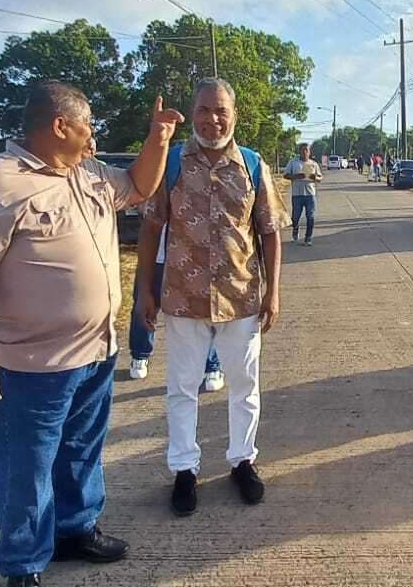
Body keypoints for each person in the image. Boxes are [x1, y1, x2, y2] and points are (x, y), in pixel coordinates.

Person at [0, 81, 181, 586]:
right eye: (88, 124)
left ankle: (75, 530)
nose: (93, 134)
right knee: (26, 468)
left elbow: (139, 186)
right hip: (31, 367)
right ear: (60, 126)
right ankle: (23, 564)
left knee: (81, 451)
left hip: (95, 352)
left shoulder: (86, 172)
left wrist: (158, 137)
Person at [138, 78, 283, 518]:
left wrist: (273, 291)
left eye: (220, 110)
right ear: (193, 112)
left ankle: (243, 460)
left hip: (241, 297)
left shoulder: (254, 166)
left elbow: (271, 232)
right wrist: (145, 288)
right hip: (184, 297)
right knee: (182, 388)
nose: (212, 119)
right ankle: (184, 470)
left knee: (244, 386)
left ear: (234, 115)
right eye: (203, 110)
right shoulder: (175, 162)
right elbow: (151, 227)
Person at [127, 223, 224, 390]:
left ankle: (212, 365)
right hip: (157, 255)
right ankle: (139, 353)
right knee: (144, 304)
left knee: (204, 309)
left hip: (193, 257)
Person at [284, 142, 323, 246]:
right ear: (299, 151)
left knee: (310, 217)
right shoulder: (293, 162)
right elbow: (286, 175)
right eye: (303, 150)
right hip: (297, 194)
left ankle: (308, 238)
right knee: (295, 217)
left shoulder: (313, 164)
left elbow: (320, 178)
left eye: (307, 150)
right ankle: (295, 231)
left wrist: (315, 178)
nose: (304, 152)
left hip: (310, 194)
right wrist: (296, 176)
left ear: (309, 152)